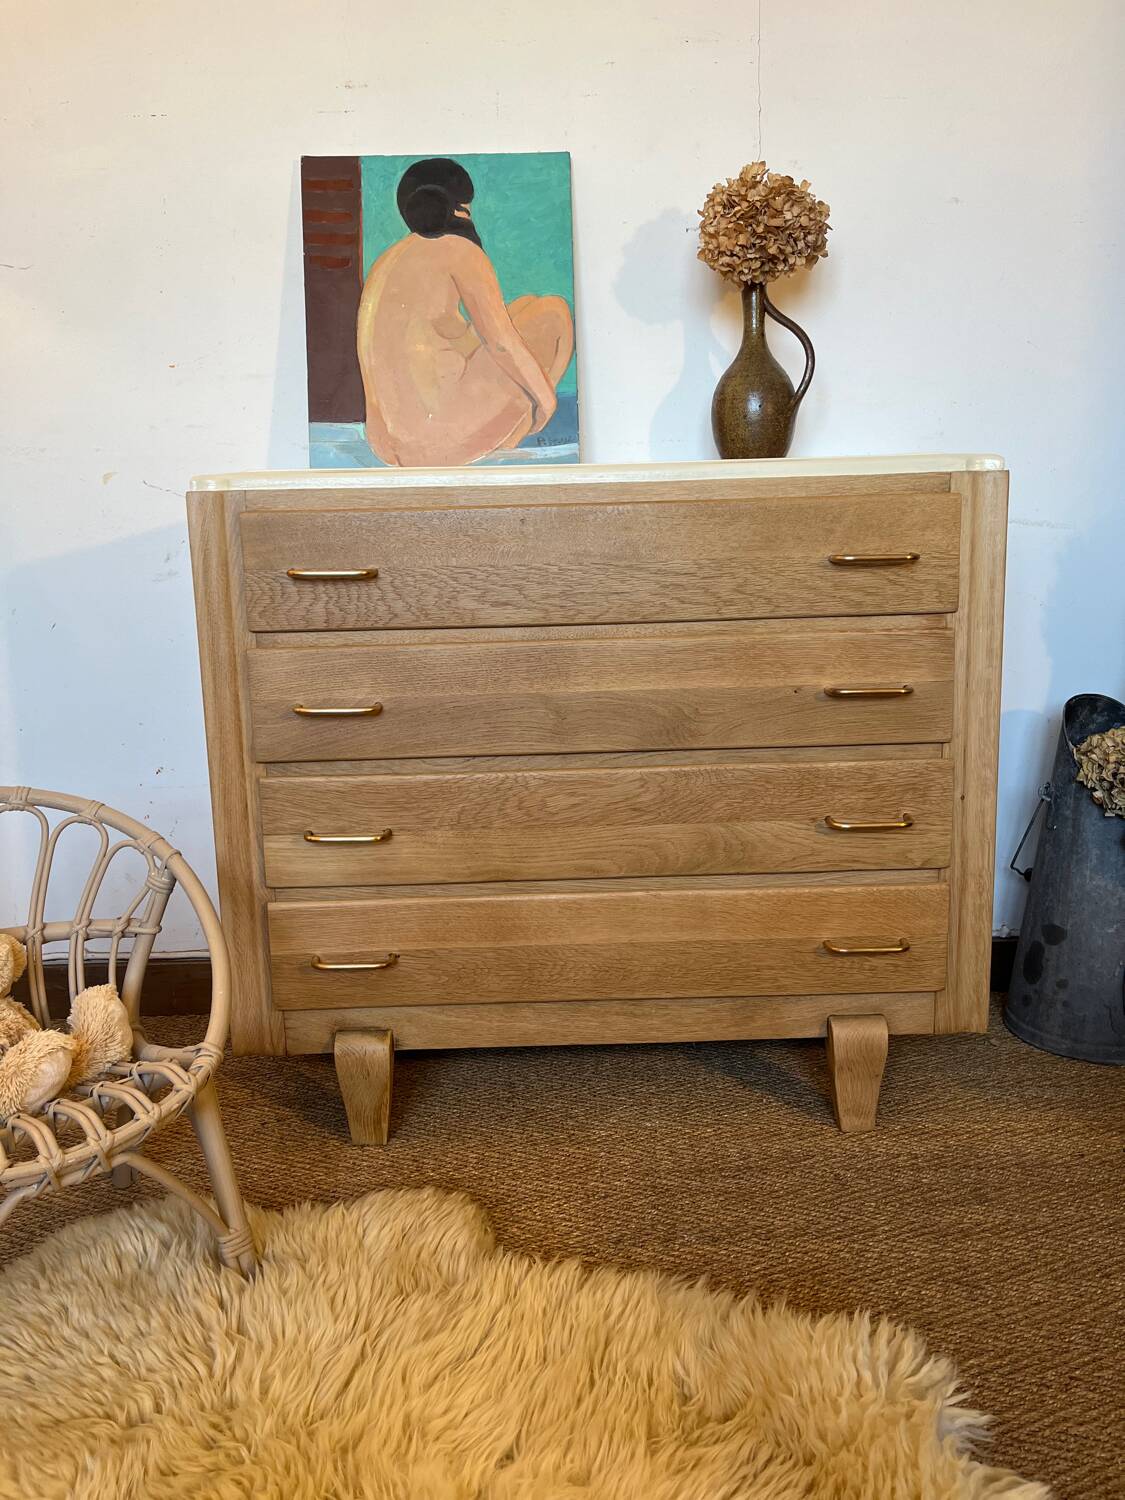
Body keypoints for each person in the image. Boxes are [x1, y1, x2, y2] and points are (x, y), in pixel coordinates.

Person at [357, 158, 575, 467]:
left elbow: (441, 333)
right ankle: (520, 429)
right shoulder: (461, 250)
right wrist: (546, 399)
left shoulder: (388, 258)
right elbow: (501, 342)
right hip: (435, 443)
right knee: (553, 312)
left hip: (385, 443)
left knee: (525, 305)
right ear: (459, 208)